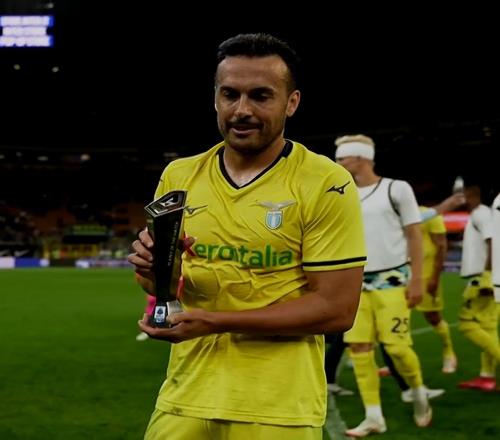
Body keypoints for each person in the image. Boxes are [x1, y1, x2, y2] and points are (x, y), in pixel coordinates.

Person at [128, 33, 367, 440]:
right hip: (185, 395)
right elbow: (163, 286)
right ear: (215, 99)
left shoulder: (326, 182)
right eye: (230, 95)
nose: (242, 110)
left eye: (260, 96)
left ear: (291, 102)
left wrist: (214, 322)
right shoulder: (179, 176)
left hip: (278, 410)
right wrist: (155, 271)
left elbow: (337, 310)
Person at [334, 134, 432, 437]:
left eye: (342, 157)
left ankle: (418, 392)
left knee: (398, 348)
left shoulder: (396, 188)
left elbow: (414, 234)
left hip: (393, 280)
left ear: (361, 157)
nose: (338, 162)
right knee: (359, 348)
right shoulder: (341, 193)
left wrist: (417, 279)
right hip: (356, 284)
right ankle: (374, 416)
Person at [457, 184, 499, 391]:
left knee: (467, 324)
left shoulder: (481, 214)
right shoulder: (485, 214)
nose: (460, 196)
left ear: (471, 193)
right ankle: (487, 377)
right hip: (489, 276)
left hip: (483, 277)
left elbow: (493, 242)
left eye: (462, 192)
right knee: (488, 328)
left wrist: (487, 277)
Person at [415, 204, 457, 373]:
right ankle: (395, 361)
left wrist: (435, 277)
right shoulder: (399, 212)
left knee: (433, 317)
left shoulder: (431, 215)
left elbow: (441, 246)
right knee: (393, 317)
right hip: (402, 273)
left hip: (426, 273)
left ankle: (449, 352)